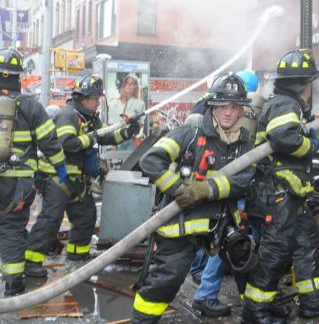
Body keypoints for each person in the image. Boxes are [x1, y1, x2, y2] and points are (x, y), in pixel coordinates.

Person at [131, 72, 255, 324]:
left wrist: (205, 190)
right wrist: (179, 189)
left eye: (234, 107)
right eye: (222, 106)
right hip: (182, 222)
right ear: (212, 106)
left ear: (241, 109)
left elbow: (244, 179)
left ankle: (254, 314)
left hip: (221, 223)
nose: (229, 113)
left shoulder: (245, 142)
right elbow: (151, 160)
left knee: (248, 263)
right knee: (166, 280)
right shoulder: (191, 133)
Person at [242, 49, 319, 324]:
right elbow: (284, 138)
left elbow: (306, 143)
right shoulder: (286, 106)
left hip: (291, 196)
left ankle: (313, 303)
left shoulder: (286, 104)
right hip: (277, 195)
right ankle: (255, 310)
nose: (312, 88)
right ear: (305, 83)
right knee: (276, 252)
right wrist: (309, 143)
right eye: (311, 82)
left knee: (307, 246)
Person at [25, 75, 140, 278]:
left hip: (77, 180)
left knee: (86, 216)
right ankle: (31, 262)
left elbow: (106, 136)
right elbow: (66, 143)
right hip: (57, 178)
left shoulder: (90, 118)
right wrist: (91, 137)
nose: (97, 103)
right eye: (95, 99)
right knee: (51, 220)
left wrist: (128, 132)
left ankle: (77, 257)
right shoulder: (68, 115)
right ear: (84, 98)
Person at [0, 49, 67, 296]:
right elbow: (49, 141)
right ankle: (13, 283)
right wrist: (60, 167)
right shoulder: (31, 106)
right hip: (17, 184)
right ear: (20, 77)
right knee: (12, 228)